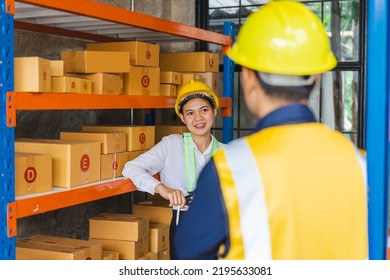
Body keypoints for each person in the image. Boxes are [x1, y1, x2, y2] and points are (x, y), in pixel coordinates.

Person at [174, 0, 368, 260]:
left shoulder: (232, 169)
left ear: (249, 79)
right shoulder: (359, 162)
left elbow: (189, 254)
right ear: (317, 77)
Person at [122, 79, 224, 259]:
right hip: (183, 230)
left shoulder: (227, 153)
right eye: (190, 113)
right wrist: (163, 189)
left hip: (219, 230)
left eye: (204, 110)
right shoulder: (171, 145)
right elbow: (131, 167)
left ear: (214, 112)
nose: (198, 118)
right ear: (183, 118)